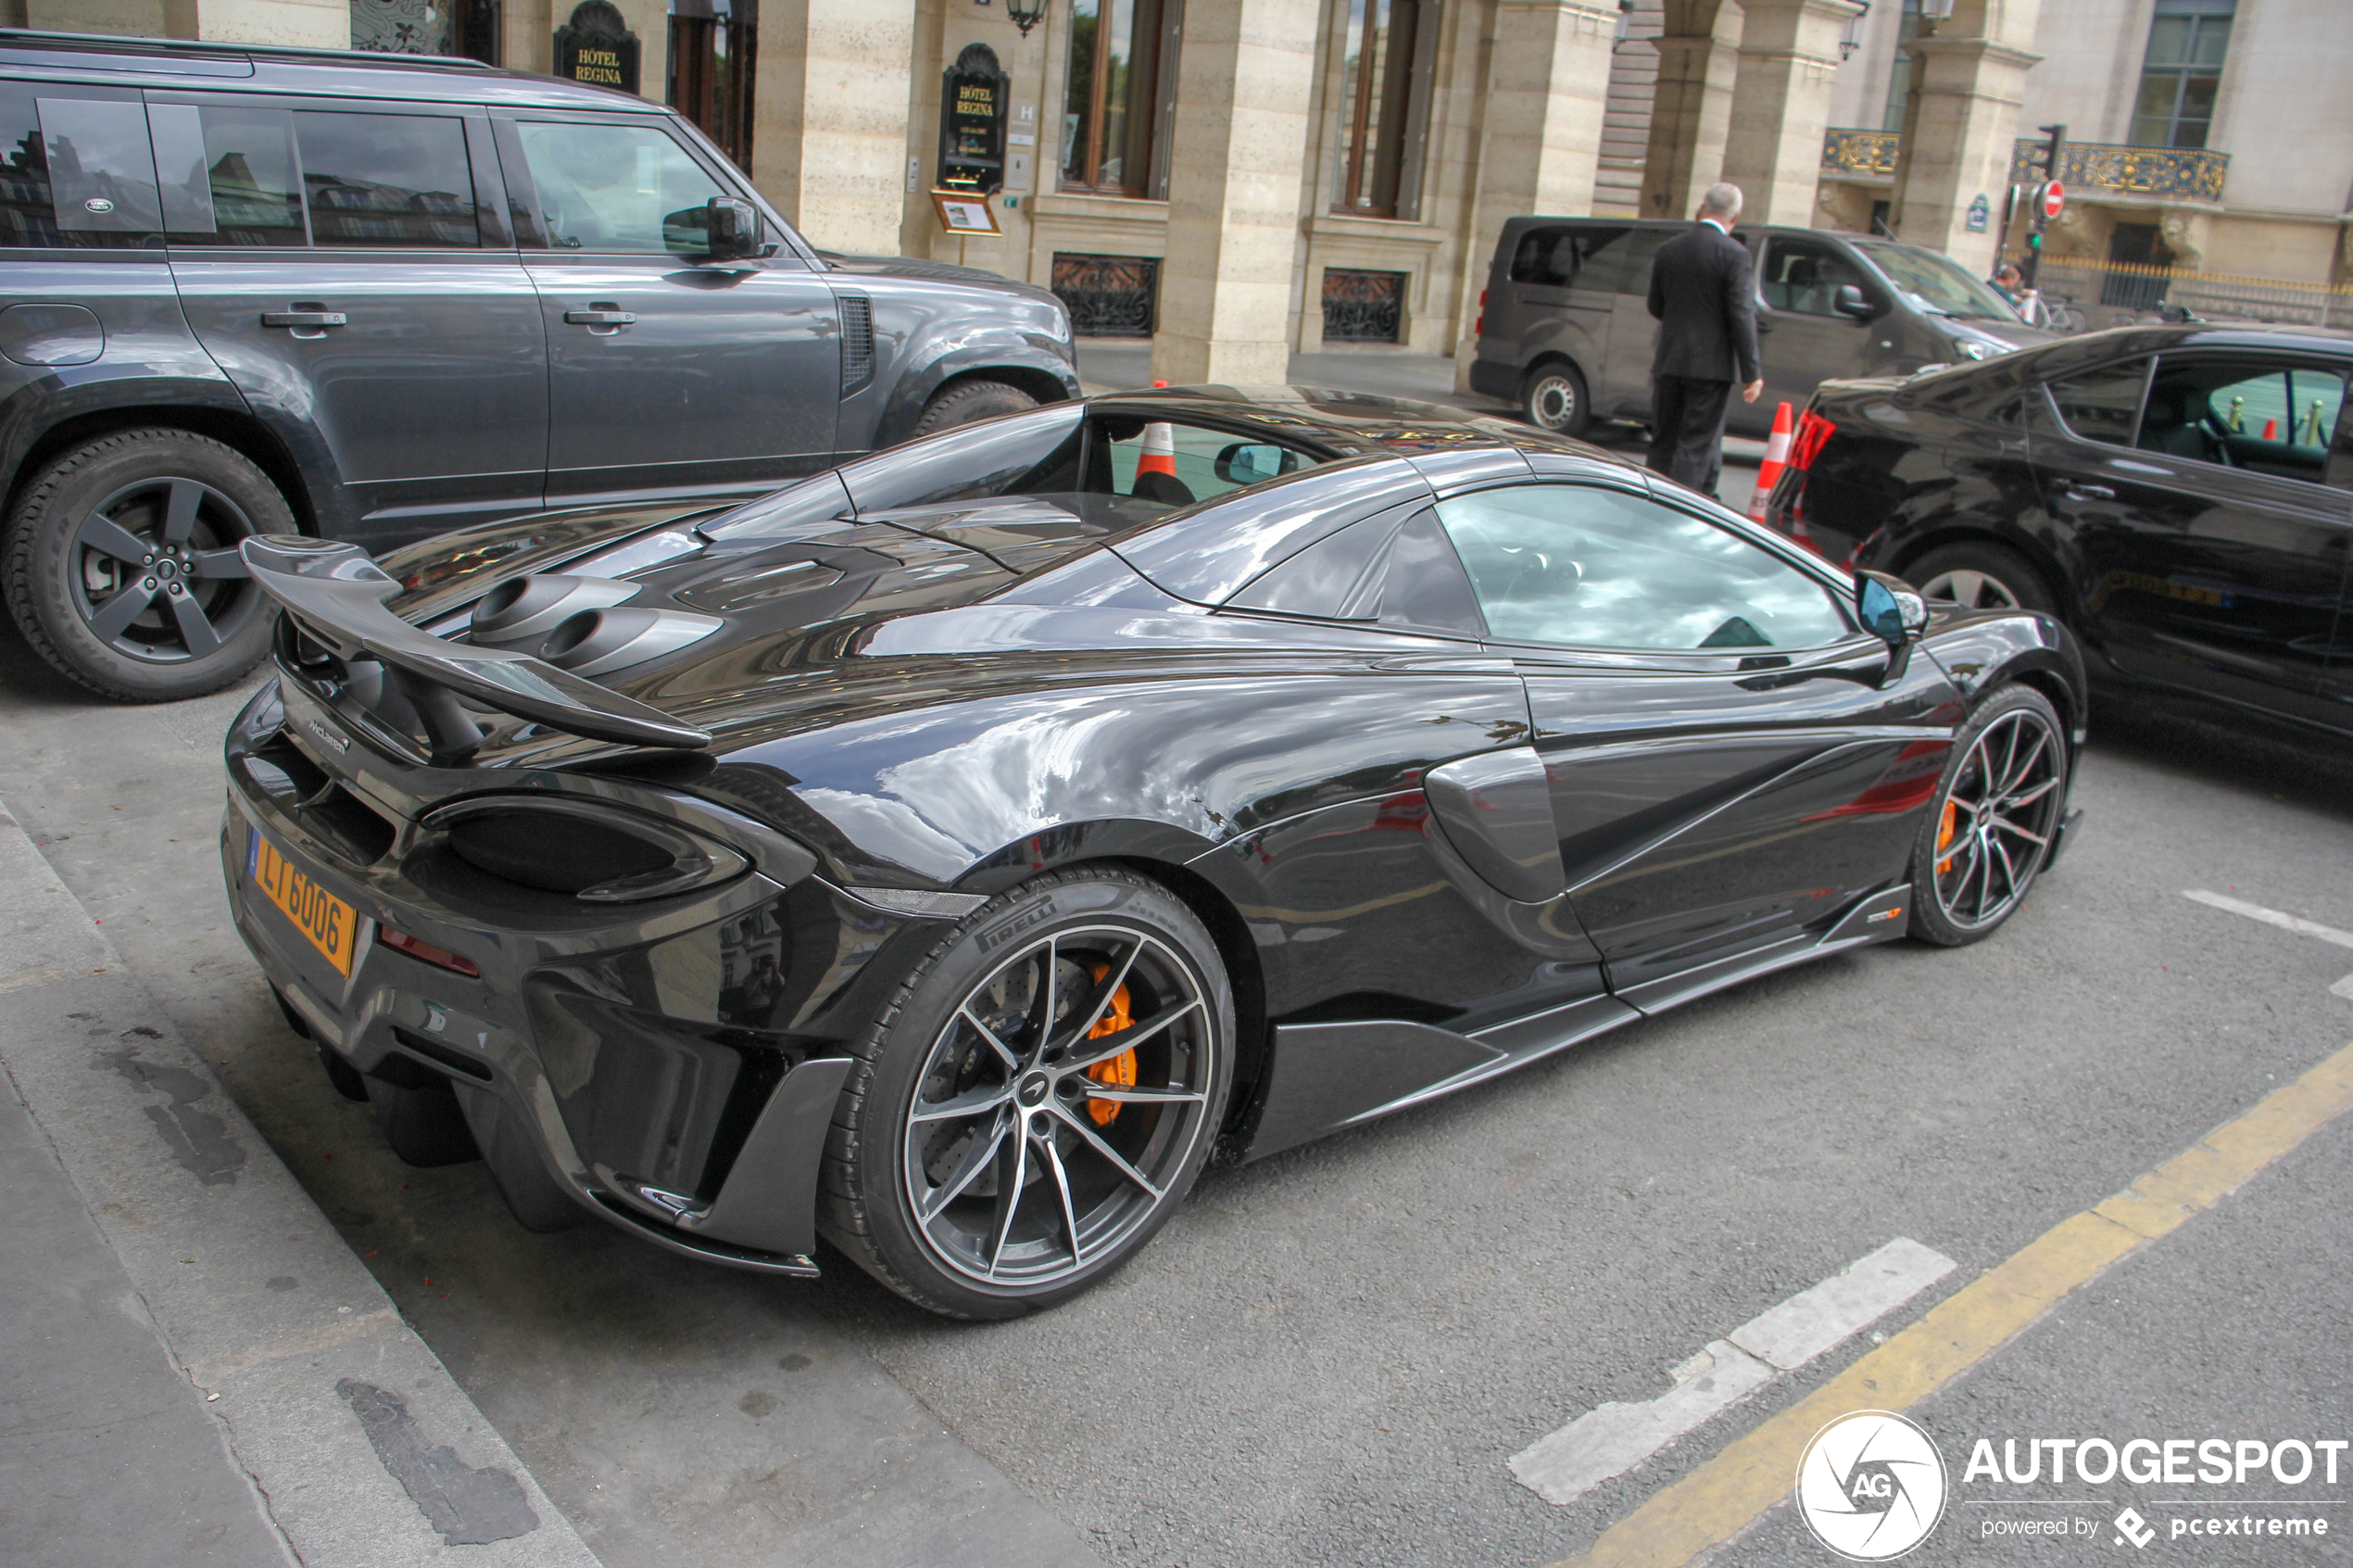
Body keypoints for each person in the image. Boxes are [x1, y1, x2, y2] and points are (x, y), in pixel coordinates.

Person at [1645, 182, 1763, 498]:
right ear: (1734, 216)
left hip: (1669, 360)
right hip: (1710, 368)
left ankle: (1651, 504)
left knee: (1664, 439)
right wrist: (1751, 373)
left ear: (1702, 208)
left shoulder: (1668, 249)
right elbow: (1741, 313)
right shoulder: (1735, 255)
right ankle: (1682, 510)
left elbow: (1655, 306)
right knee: (1695, 444)